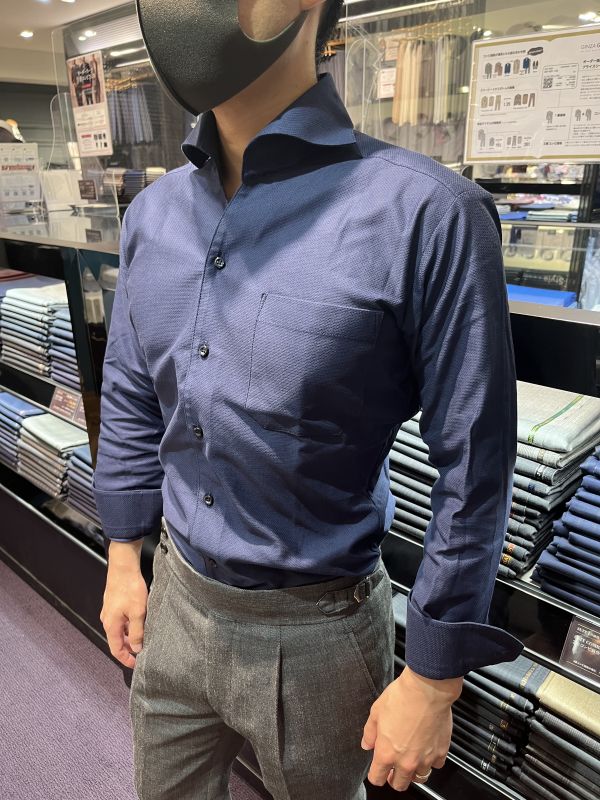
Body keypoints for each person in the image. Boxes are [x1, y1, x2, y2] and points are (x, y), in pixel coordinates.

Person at [92, 2, 523, 799]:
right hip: (177, 597)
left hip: (319, 631)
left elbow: (477, 464)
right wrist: (124, 555)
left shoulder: (427, 214)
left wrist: (435, 679)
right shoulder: (153, 214)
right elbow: (130, 391)